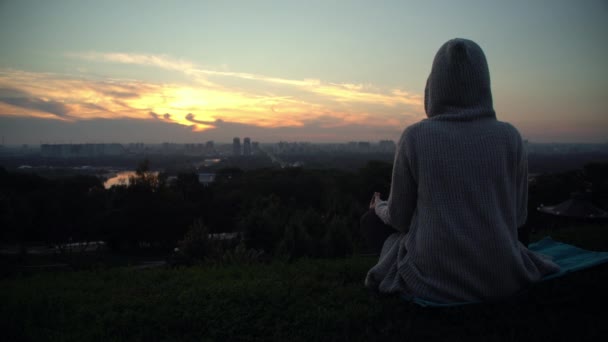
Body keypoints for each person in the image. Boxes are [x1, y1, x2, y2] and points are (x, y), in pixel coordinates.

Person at [362, 38, 559, 303]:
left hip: (433, 279)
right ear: (484, 84)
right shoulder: (510, 137)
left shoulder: (416, 137)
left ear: (434, 87)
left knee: (371, 221)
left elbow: (399, 219)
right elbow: (519, 217)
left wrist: (380, 206)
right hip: (501, 277)